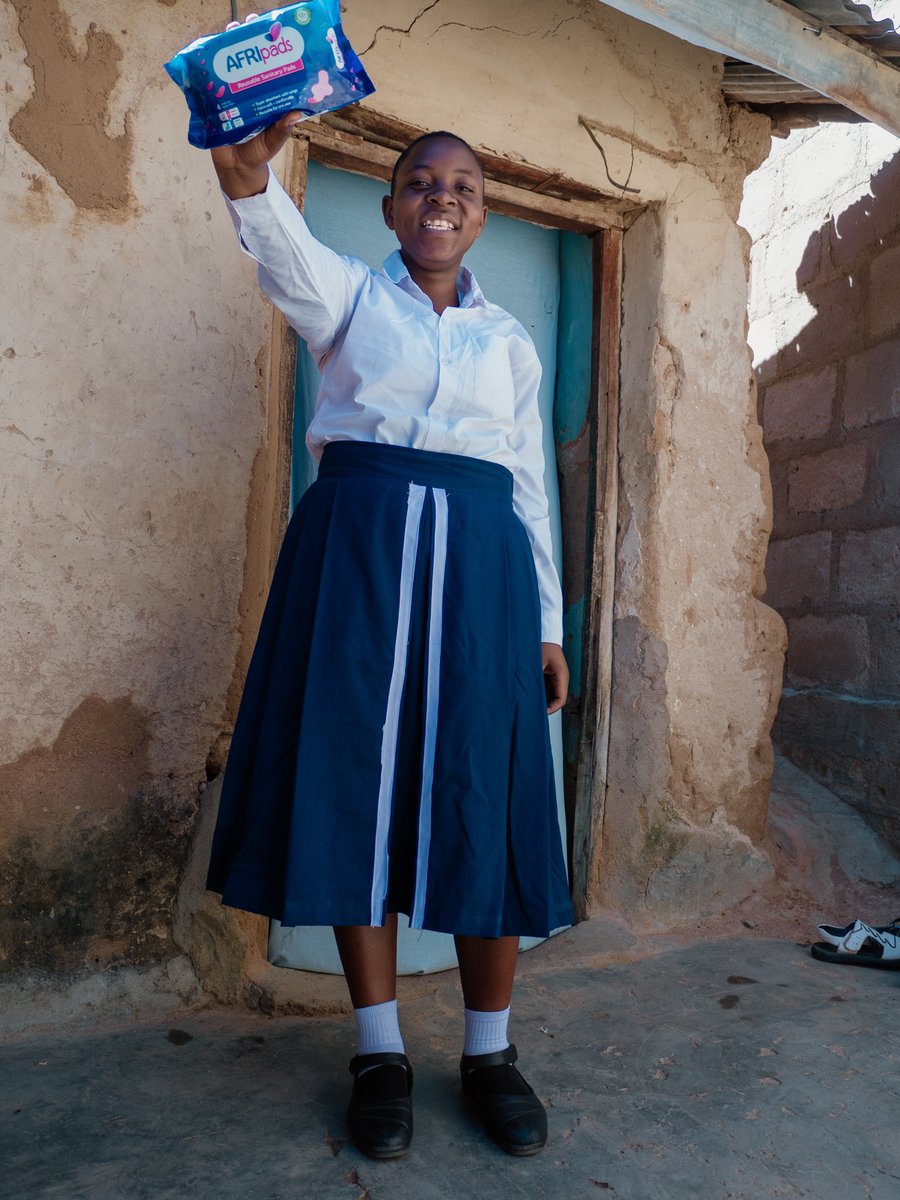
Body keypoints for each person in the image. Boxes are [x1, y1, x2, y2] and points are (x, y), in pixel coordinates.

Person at [205, 109, 574, 1160]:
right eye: (420, 181)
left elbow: (528, 484)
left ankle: (491, 1052)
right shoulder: (351, 299)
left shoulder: (510, 344)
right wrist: (246, 172)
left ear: (484, 212)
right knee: (352, 792)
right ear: (391, 207)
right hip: (354, 570)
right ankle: (378, 1051)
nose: (441, 195)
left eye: (461, 183)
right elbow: (274, 239)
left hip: (482, 576)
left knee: (478, 788)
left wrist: (545, 621)